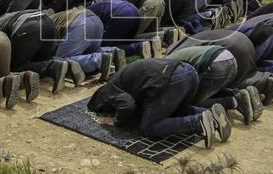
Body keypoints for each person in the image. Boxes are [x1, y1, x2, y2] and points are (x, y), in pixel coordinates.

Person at [87, 59, 231, 148]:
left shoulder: (108, 91)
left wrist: (115, 121)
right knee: (176, 111)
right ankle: (211, 115)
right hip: (188, 72)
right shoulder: (119, 79)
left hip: (172, 79)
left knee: (148, 127)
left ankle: (198, 121)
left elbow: (127, 105)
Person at [162, 42, 263, 125]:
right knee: (210, 89)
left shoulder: (164, 68)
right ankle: (240, 94)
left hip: (215, 64)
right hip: (229, 59)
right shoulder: (174, 54)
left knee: (192, 104)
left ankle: (234, 100)